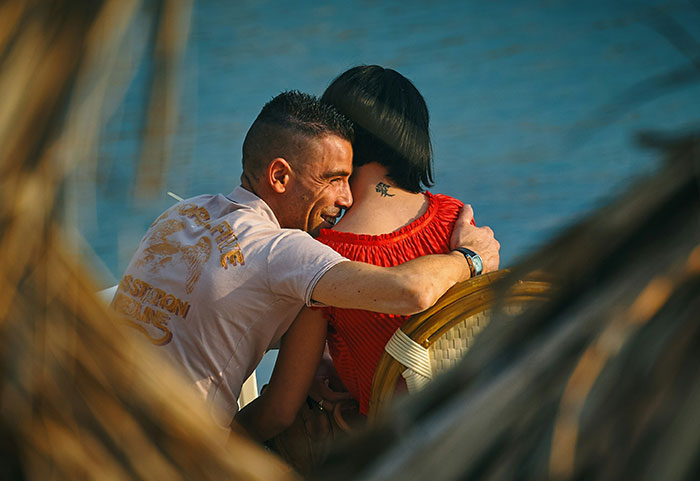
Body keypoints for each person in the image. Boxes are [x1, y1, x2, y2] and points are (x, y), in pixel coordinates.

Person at [112, 90, 499, 435]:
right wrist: (471, 258)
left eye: (350, 179)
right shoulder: (283, 250)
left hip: (97, 412)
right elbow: (411, 291)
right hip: (173, 449)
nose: (346, 198)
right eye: (334, 179)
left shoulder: (184, 213)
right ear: (279, 176)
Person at [235, 67, 496, 442]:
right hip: (480, 422)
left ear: (340, 135)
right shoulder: (458, 221)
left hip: (398, 447)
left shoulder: (323, 256)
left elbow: (279, 411)